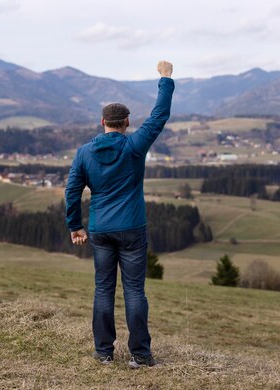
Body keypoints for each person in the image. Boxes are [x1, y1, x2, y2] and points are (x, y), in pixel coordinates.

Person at [64, 60, 174, 369]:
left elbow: (72, 191)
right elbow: (159, 116)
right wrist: (165, 78)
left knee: (103, 290)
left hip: (100, 230)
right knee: (135, 291)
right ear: (126, 123)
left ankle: (103, 354)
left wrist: (76, 225)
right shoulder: (135, 146)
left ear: (102, 122)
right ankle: (140, 354)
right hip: (132, 228)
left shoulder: (84, 153)